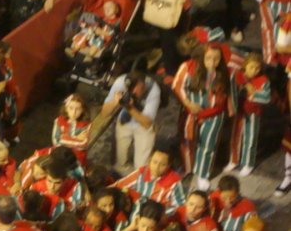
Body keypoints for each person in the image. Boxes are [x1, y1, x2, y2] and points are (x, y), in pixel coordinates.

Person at [173, 43, 231, 191]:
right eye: (209, 58)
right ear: (201, 57)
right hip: (191, 112)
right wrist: (188, 103)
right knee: (187, 140)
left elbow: (224, 97)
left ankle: (202, 173)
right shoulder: (188, 67)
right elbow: (177, 86)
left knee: (208, 144)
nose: (212, 63)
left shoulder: (223, 72)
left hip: (213, 114)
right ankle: (188, 168)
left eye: (216, 59)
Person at [101, 70, 161, 173]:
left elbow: (147, 123)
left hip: (143, 125)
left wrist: (129, 107)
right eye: (131, 91)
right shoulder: (119, 83)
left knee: (141, 167)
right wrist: (115, 102)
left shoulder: (154, 90)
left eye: (138, 91)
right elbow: (104, 113)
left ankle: (139, 181)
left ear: (144, 85)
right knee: (119, 163)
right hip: (125, 121)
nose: (134, 93)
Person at [224, 52, 271, 176]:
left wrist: (253, 93)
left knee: (250, 139)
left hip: (253, 113)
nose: (254, 71)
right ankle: (234, 160)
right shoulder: (238, 77)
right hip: (239, 111)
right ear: (245, 66)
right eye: (251, 67)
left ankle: (248, 163)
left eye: (257, 68)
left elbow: (266, 97)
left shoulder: (263, 81)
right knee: (236, 136)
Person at [51, 94, 92, 168]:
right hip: (59, 154)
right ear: (66, 108)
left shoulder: (86, 124)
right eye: (71, 108)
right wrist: (75, 138)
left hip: (77, 157)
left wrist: (63, 137)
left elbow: (83, 144)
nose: (74, 112)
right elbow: (55, 141)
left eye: (78, 109)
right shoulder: (59, 121)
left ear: (83, 110)